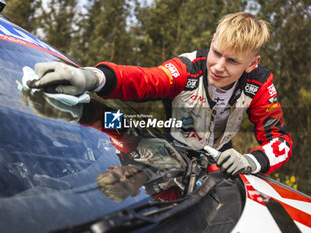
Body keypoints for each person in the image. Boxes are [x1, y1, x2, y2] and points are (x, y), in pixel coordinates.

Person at [28, 12, 292, 176]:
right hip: (167, 153)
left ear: (252, 63)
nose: (218, 66)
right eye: (217, 53)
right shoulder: (187, 68)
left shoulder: (259, 83)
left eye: (232, 61)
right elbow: (145, 80)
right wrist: (91, 77)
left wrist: (251, 160)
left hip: (219, 165)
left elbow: (280, 139)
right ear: (212, 41)